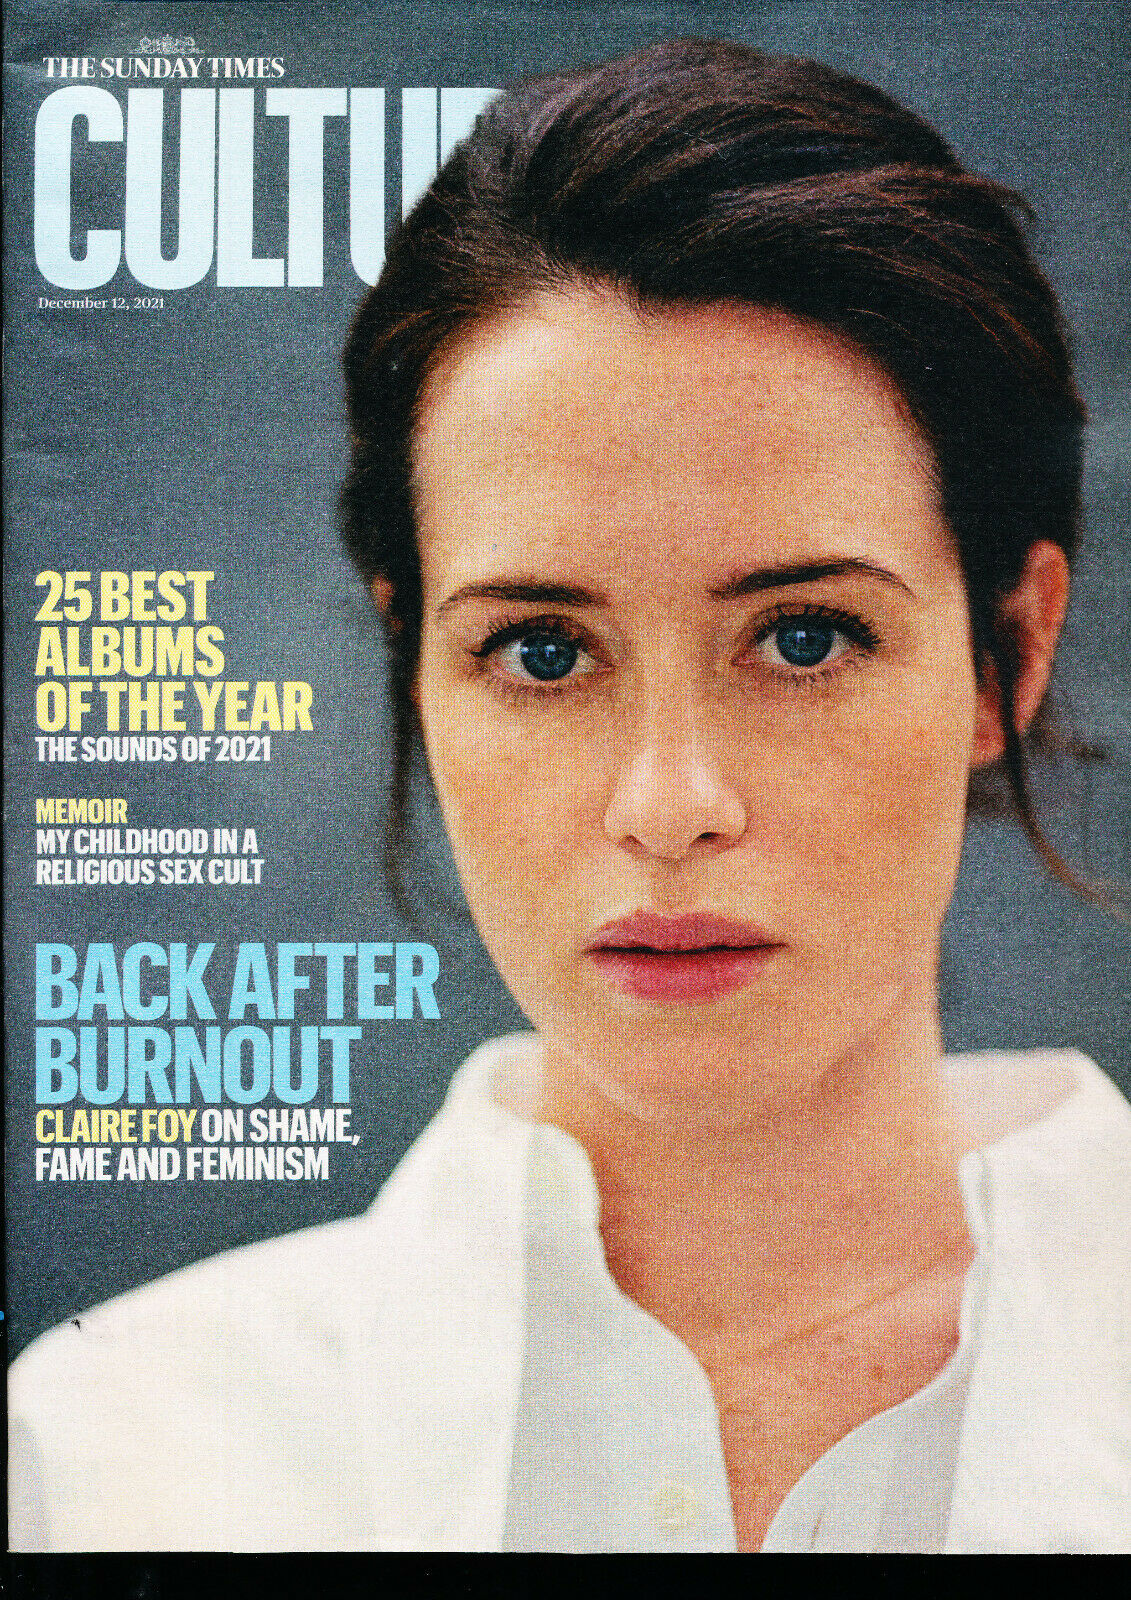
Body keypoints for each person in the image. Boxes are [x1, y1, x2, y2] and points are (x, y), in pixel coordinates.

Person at [9, 39, 1130, 1553]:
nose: (670, 805)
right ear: (414, 663)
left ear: (1012, 651)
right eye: (542, 650)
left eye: (805, 638)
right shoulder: (105, 1457)